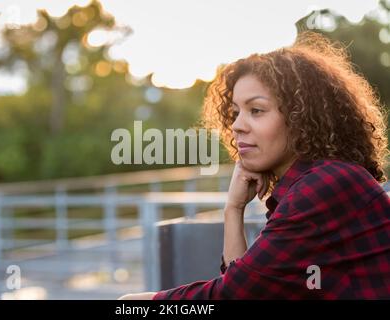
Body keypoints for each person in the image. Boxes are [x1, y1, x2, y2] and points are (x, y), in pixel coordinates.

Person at [118, 31, 390, 300]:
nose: (236, 125)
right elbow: (253, 288)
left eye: (256, 110)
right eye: (235, 112)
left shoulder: (325, 185)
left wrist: (143, 302)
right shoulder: (313, 183)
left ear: (300, 119)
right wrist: (233, 209)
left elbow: (236, 294)